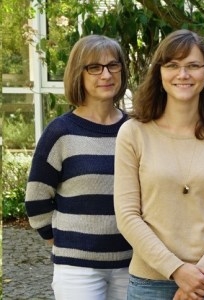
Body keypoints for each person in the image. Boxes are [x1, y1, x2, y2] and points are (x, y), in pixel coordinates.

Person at [114, 29, 204, 300]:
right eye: (173, 65)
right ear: (160, 73)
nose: (183, 74)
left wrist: (200, 276)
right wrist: (177, 271)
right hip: (150, 284)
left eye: (193, 66)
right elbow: (127, 215)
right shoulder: (133, 133)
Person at [24, 35, 132, 299]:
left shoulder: (135, 129)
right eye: (94, 67)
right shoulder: (61, 132)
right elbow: (36, 199)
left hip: (132, 263)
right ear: (78, 74)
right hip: (78, 269)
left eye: (113, 65)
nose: (106, 74)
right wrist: (64, 242)